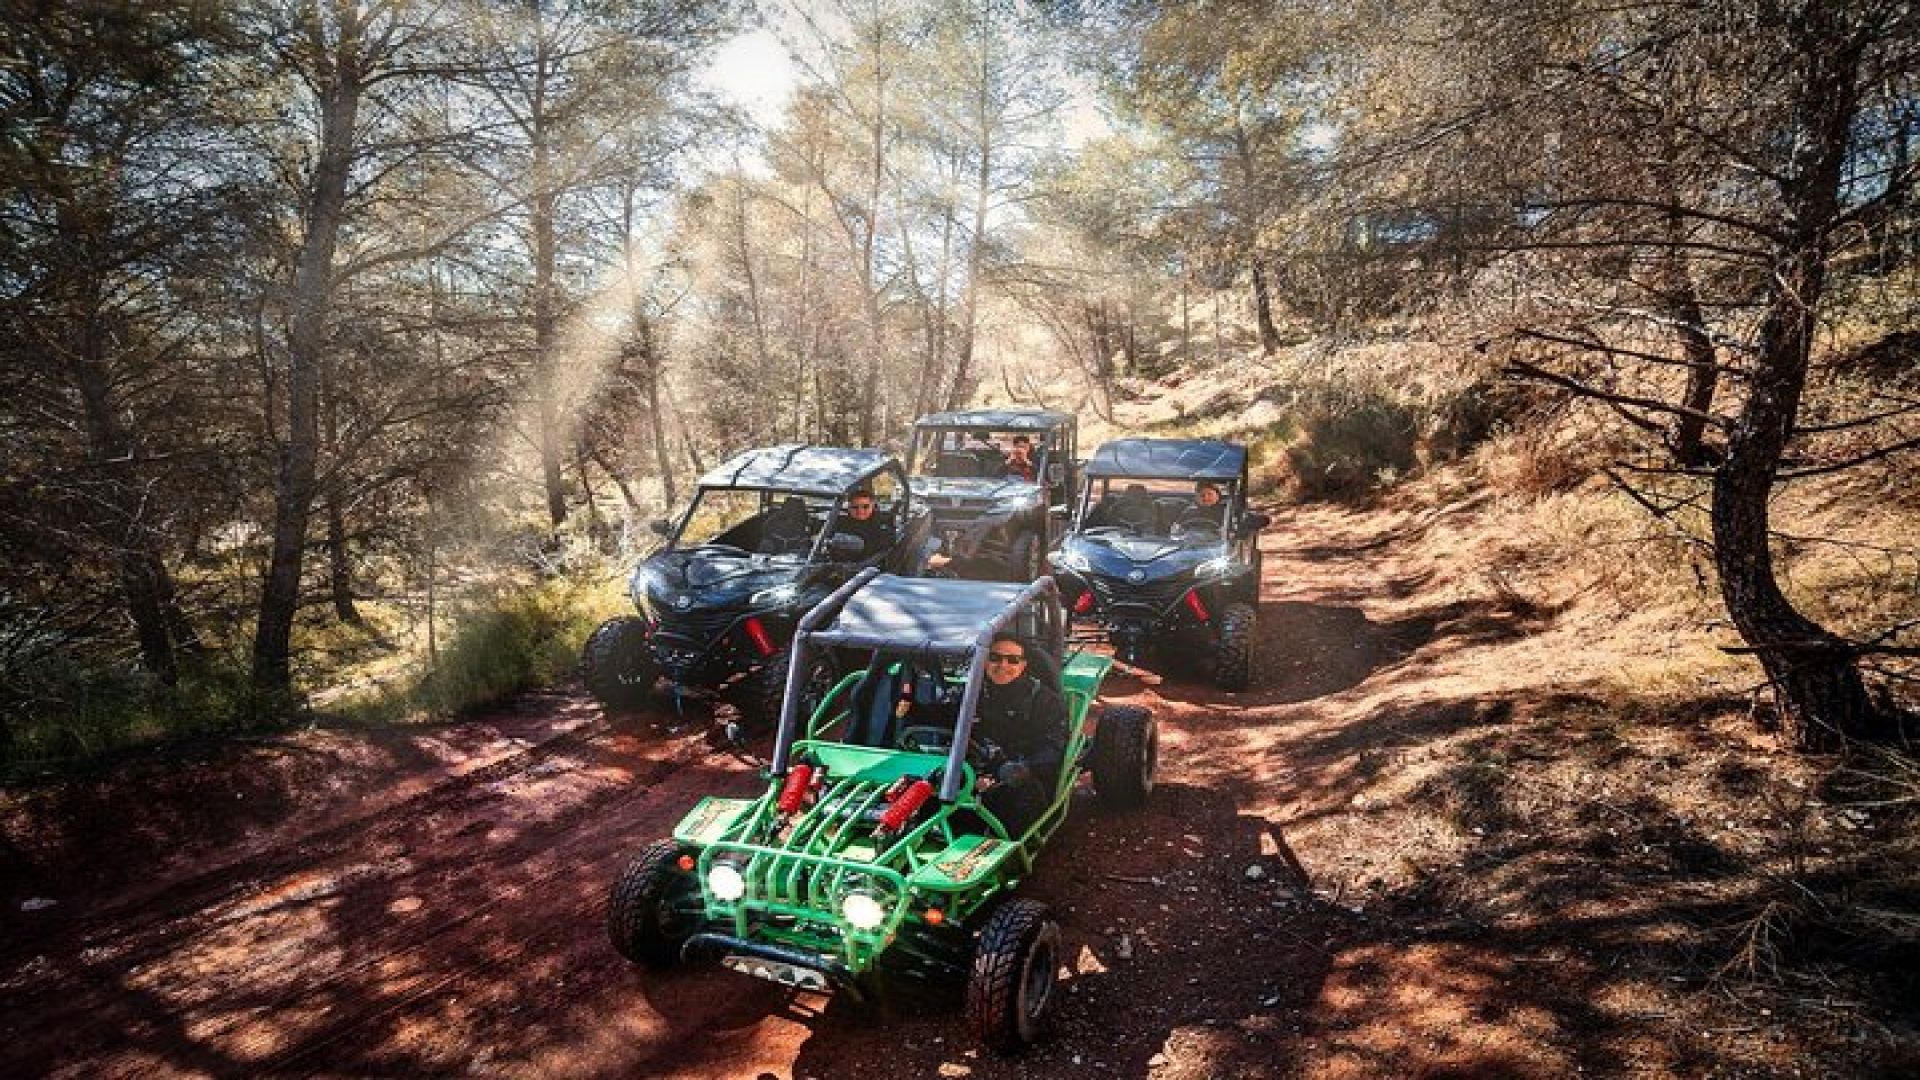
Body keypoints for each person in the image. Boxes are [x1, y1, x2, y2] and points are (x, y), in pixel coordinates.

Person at [970, 632, 1066, 837]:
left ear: (1023, 665)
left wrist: (1023, 768)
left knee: (1014, 794)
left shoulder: (1043, 701)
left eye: (1012, 660)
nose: (1002, 665)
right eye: (995, 657)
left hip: (1022, 778)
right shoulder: (970, 693)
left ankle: (1001, 852)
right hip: (972, 772)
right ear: (985, 661)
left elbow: (1053, 748)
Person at [836, 487, 895, 561]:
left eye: (865, 506)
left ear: (872, 506)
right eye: (855, 507)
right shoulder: (841, 521)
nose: (860, 510)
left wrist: (861, 543)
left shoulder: (881, 522)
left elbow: (888, 540)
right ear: (849, 508)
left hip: (867, 565)